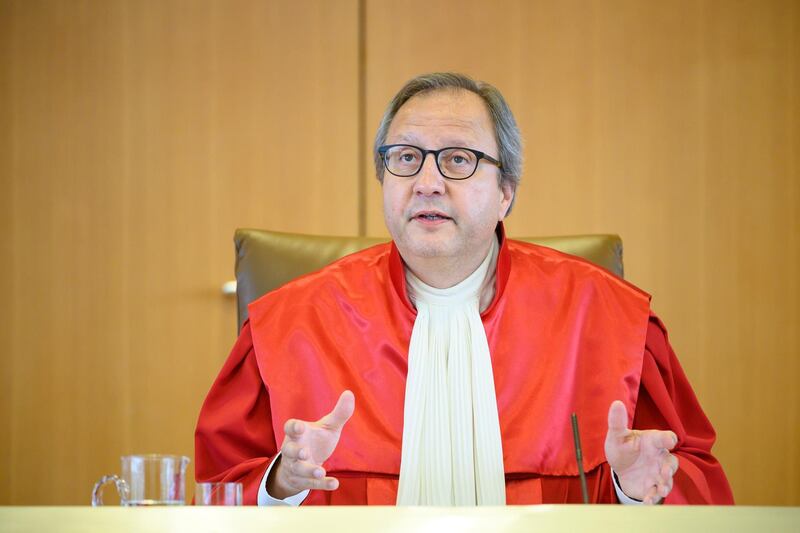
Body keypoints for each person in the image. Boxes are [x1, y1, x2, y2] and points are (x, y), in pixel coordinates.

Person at [195, 72, 733, 506]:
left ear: (506, 193)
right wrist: (280, 484)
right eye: (405, 157)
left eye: (458, 159)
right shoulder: (290, 322)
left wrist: (637, 493)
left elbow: (698, 487)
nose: (427, 181)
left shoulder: (611, 320)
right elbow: (214, 491)